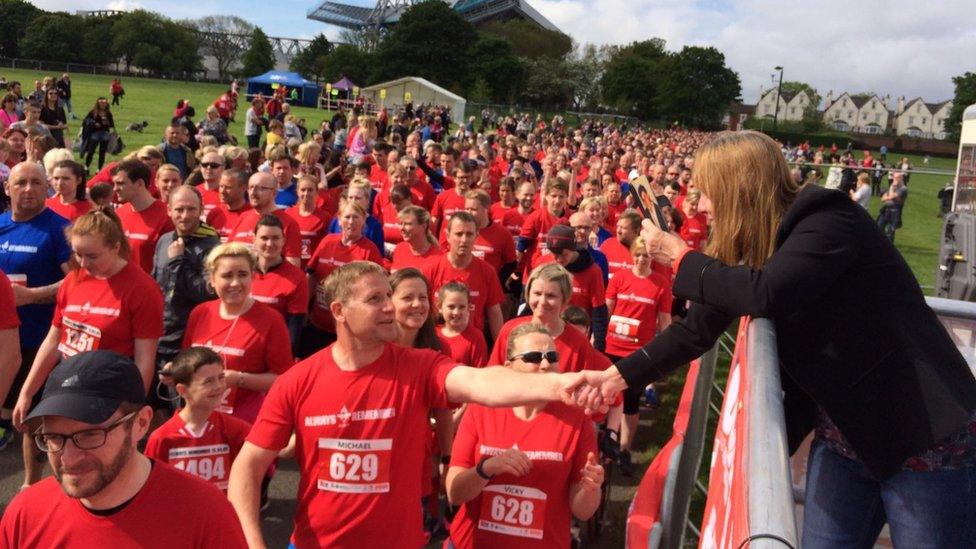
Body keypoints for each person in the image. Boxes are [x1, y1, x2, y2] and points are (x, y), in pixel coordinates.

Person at [579, 131, 976, 548]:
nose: (704, 206)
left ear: (739, 189)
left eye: (710, 193)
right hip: (845, 436)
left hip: (925, 438)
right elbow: (696, 329)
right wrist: (616, 378)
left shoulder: (827, 218)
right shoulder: (755, 239)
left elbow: (765, 292)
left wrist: (680, 256)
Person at [226, 261, 595, 548]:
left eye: (389, 296)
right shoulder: (298, 380)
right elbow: (247, 467)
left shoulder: (419, 366)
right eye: (375, 299)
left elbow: (482, 382)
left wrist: (562, 382)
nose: (390, 307)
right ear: (338, 310)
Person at [0, 350, 248, 547]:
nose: (69, 458)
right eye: (54, 437)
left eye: (89, 435)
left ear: (140, 424)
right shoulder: (26, 513)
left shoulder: (205, 513)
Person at [446, 323, 604, 548]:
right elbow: (454, 493)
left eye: (551, 356)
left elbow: (583, 510)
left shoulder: (576, 418)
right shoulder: (481, 409)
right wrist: (487, 468)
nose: (545, 364)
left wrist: (592, 488)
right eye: (533, 357)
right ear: (508, 366)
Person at [0, 162, 72, 458]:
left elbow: (77, 282)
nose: (28, 189)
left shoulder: (59, 229)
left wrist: (31, 296)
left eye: (35, 183)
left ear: (47, 188)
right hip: (4, 334)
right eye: (21, 183)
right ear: (7, 188)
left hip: (37, 338)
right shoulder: (2, 223)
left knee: (30, 417)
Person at [604, 236, 672, 475]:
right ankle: (605, 444)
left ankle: (624, 449)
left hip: (638, 353)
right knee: (607, 398)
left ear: (652, 257)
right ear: (632, 255)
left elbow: (664, 321)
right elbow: (607, 309)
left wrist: (666, 350)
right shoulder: (620, 278)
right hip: (612, 348)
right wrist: (598, 339)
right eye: (638, 255)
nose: (642, 259)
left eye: (646, 255)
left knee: (631, 403)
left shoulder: (661, 284)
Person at [146, 347, 252, 492]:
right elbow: (151, 487)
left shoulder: (236, 430)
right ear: (182, 390)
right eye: (208, 381)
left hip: (223, 513)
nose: (218, 386)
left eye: (221, 377)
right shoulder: (161, 438)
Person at [152, 185, 220, 385]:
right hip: (159, 335)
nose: (185, 215)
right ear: (169, 210)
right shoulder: (165, 240)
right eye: (179, 209)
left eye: (191, 209)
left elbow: (206, 293)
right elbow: (155, 282)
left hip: (188, 339)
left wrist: (178, 263)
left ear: (201, 210)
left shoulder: (212, 246)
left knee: (179, 402)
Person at [304, 200, 383, 355]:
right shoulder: (327, 241)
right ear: (339, 219)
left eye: (356, 217)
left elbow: (376, 290)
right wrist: (305, 307)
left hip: (348, 328)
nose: (351, 222)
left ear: (363, 220)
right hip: (317, 323)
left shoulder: (369, 251)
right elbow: (312, 275)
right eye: (347, 217)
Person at [422, 212, 505, 340]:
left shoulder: (487, 271)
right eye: (459, 234)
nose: (464, 240)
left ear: (476, 236)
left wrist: (501, 349)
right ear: (448, 236)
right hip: (436, 342)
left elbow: (494, 315)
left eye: (469, 234)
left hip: (472, 345)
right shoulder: (431, 268)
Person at [250, 214, 309, 349]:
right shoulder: (243, 272)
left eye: (275, 238)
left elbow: (292, 334)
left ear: (283, 240)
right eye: (264, 238)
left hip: (273, 351)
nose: (270, 244)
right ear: (254, 239)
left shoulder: (297, 279)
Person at [228, 171, 303, 266]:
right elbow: (227, 253)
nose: (253, 192)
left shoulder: (288, 223)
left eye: (261, 188)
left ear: (274, 193)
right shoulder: (243, 217)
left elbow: (293, 265)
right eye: (250, 187)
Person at [112, 159, 174, 273]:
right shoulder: (118, 214)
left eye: (121, 183)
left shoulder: (166, 216)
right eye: (114, 184)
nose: (115, 189)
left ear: (140, 183)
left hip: (150, 286)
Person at [435, 281, 488, 368]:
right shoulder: (433, 334)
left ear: (468, 308)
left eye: (462, 307)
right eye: (451, 307)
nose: (456, 312)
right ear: (440, 307)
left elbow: (479, 374)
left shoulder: (476, 338)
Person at [284, 175, 332, 269]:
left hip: (311, 269)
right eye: (303, 190)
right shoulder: (288, 213)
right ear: (297, 192)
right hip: (289, 267)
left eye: (310, 190)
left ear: (317, 192)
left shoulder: (325, 217)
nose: (306, 193)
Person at [207, 168, 252, 242]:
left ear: (243, 188)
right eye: (221, 186)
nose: (222, 191)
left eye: (228, 187)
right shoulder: (214, 213)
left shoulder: (253, 214)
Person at [82, 97, 114, 170]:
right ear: (98, 103)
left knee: (102, 153)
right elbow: (85, 121)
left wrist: (107, 123)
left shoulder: (108, 113)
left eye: (105, 103)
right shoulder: (93, 112)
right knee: (91, 151)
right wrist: (94, 123)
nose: (103, 104)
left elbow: (112, 124)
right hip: (95, 133)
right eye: (101, 103)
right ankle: (86, 167)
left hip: (105, 133)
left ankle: (99, 169)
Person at [877, 171, 908, 242]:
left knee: (890, 231)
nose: (894, 179)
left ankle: (889, 246)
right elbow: (883, 198)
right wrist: (890, 196)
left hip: (895, 211)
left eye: (896, 177)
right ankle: (880, 242)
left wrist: (892, 187)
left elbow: (890, 196)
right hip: (886, 210)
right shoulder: (893, 187)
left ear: (901, 178)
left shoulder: (903, 188)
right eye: (893, 177)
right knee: (879, 226)